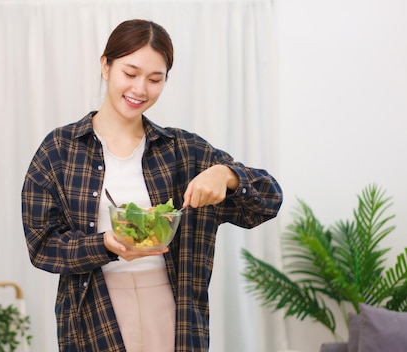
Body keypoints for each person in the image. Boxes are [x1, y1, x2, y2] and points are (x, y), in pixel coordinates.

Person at [21, 19, 283, 352]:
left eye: (155, 79)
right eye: (130, 74)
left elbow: (269, 200)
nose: (140, 90)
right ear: (106, 66)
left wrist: (227, 176)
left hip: (172, 308)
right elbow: (41, 245)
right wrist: (105, 245)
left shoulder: (183, 151)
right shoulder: (60, 148)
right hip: (94, 312)